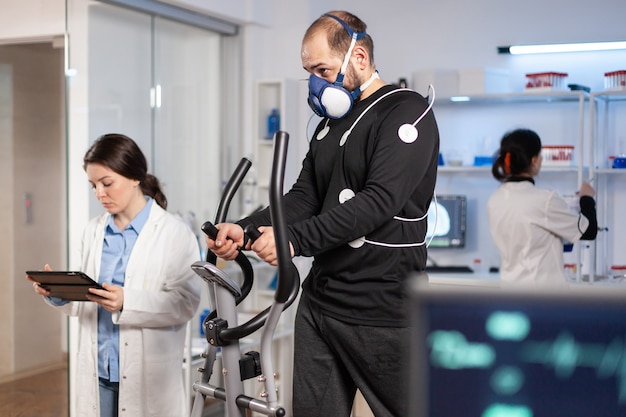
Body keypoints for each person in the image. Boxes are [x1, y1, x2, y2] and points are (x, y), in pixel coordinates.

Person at [206, 11, 439, 417]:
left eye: (322, 69)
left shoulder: (406, 112)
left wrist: (294, 241)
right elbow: (303, 197)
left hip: (382, 306)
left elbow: (378, 201)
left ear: (360, 57)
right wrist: (245, 229)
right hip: (321, 303)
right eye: (309, 71)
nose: (316, 82)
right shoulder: (328, 126)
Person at [26, 133, 201, 417]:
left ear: (134, 177)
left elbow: (185, 303)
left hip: (147, 376)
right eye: (93, 185)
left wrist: (126, 302)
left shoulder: (174, 233)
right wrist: (58, 293)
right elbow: (87, 297)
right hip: (98, 372)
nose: (99, 194)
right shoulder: (93, 231)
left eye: (107, 183)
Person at [487, 128, 598, 286]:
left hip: (510, 291)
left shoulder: (495, 199)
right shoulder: (545, 200)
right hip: (542, 296)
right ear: (534, 160)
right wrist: (587, 197)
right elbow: (590, 230)